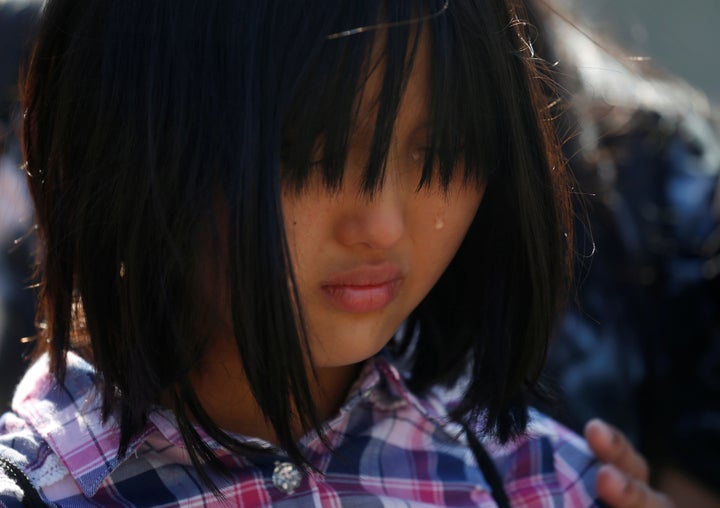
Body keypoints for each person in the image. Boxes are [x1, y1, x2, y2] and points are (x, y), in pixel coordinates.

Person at [0, 0, 673, 506]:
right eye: (307, 155)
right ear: (138, 139)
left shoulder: (537, 483)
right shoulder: (42, 487)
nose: (380, 226)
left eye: (441, 152)